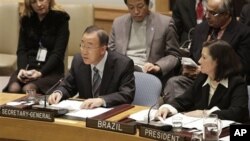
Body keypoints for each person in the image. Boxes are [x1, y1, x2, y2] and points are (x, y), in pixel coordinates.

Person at [163, 0, 250, 103]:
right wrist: (188, 68)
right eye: (206, 11)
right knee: (174, 82)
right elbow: (193, 56)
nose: (207, 16)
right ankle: (177, 115)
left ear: (226, 13)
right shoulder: (200, 29)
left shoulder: (243, 33)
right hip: (197, 80)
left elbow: (241, 66)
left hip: (222, 82)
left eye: (213, 13)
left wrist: (210, 70)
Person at [156, 40, 249, 123]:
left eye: (204, 57)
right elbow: (182, 101)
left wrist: (206, 114)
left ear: (218, 61)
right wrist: (167, 108)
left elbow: (238, 112)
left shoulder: (237, 83)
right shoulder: (203, 78)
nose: (199, 61)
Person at [48, 25, 135, 109]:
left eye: (89, 47)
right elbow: (68, 86)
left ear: (103, 49)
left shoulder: (123, 64)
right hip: (85, 114)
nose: (84, 52)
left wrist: (102, 100)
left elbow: (127, 94)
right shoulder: (78, 61)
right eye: (82, 45)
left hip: (111, 115)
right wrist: (59, 93)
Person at [3, 0, 69, 94]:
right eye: (34, 1)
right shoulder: (26, 19)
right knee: (14, 88)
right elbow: (22, 50)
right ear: (29, 3)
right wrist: (22, 69)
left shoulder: (61, 19)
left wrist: (40, 73)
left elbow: (58, 53)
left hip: (50, 70)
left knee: (28, 89)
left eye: (42, 0)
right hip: (28, 67)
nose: (38, 4)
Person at [109, 0, 181, 84]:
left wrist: (158, 66)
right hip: (122, 71)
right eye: (131, 7)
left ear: (148, 4)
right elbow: (110, 53)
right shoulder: (118, 23)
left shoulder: (165, 23)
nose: (136, 11)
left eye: (140, 6)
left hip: (147, 72)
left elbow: (174, 55)